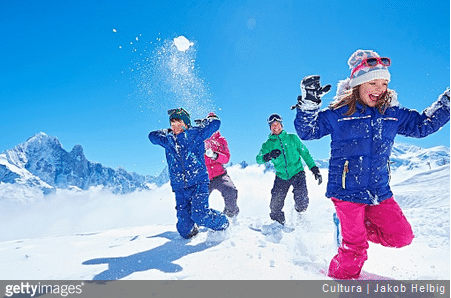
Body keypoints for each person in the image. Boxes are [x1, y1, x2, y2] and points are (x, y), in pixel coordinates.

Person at [293, 49, 450, 279]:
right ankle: (336, 281)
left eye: (384, 83)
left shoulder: (392, 114)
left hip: (379, 192)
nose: (379, 88)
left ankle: (352, 228)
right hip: (346, 192)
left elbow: (422, 126)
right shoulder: (339, 114)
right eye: (373, 82)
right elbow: (308, 131)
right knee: (354, 253)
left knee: (402, 236)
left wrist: (447, 102)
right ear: (358, 84)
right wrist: (309, 103)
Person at [148, 108, 229, 239]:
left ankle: (223, 222)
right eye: (172, 123)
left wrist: (205, 123)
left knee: (200, 215)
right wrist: (165, 132)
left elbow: (216, 123)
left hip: (198, 183)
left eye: (178, 122)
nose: (175, 126)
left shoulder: (196, 134)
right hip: (180, 188)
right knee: (184, 230)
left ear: (186, 123)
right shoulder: (168, 140)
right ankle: (193, 230)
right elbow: (151, 136)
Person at [256, 113, 322, 225]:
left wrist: (314, 168)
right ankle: (278, 226)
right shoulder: (268, 145)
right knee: (275, 205)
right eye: (272, 125)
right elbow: (258, 159)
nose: (275, 126)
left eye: (277, 124)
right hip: (281, 175)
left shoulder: (292, 138)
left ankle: (301, 219)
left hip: (297, 172)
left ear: (281, 125)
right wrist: (268, 155)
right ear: (270, 128)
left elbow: (305, 153)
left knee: (302, 201)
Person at [201, 112, 240, 218]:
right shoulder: (201, 139)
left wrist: (215, 155)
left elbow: (226, 158)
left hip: (220, 175)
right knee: (199, 199)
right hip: (204, 178)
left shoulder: (221, 140)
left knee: (231, 191)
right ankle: (199, 221)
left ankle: (230, 216)